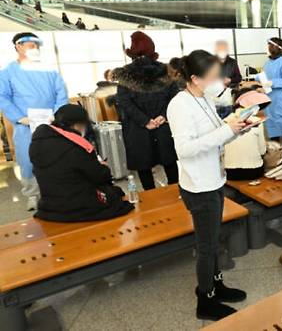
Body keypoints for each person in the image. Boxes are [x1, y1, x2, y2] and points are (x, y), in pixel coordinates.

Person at [167, 50, 247, 321]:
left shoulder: (204, 99)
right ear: (194, 78)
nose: (220, 80)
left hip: (214, 178)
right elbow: (185, 149)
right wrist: (227, 131)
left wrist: (237, 128)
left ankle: (216, 284)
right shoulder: (180, 104)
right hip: (199, 185)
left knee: (213, 241)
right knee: (206, 245)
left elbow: (215, 136)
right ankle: (206, 299)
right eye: (213, 76)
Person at [30, 104, 134, 222]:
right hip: (77, 207)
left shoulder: (37, 141)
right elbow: (99, 176)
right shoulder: (75, 145)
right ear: (77, 125)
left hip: (49, 205)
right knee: (116, 194)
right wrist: (103, 167)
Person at [0, 33, 68, 211]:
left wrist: (57, 114)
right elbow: (2, 97)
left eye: (37, 46)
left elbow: (61, 93)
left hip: (51, 124)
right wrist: (18, 117)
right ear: (18, 46)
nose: (35, 49)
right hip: (25, 126)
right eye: (31, 46)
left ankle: (56, 192)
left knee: (55, 157)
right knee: (27, 160)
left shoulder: (50, 71)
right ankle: (32, 195)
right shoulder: (8, 73)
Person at [114, 31, 179, 190]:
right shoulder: (165, 70)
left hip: (138, 127)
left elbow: (123, 100)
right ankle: (178, 195)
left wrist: (145, 121)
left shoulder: (126, 73)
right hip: (163, 125)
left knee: (144, 165)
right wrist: (162, 116)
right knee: (169, 161)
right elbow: (174, 96)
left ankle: (151, 200)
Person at [224, 89, 269, 181]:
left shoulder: (225, 121)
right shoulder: (257, 122)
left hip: (229, 172)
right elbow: (262, 151)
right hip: (254, 171)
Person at [261, 37, 282, 146]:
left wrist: (272, 82)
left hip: (281, 100)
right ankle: (277, 154)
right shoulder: (267, 64)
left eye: (268, 46)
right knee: (272, 128)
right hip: (269, 100)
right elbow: (265, 79)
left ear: (274, 48)